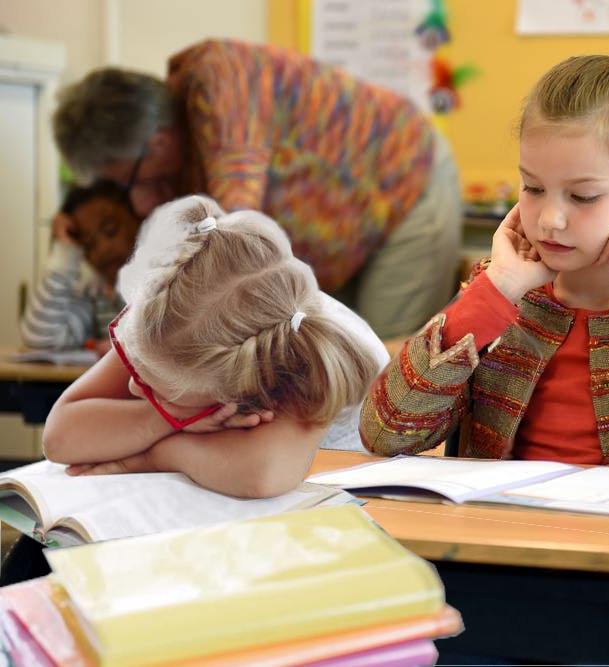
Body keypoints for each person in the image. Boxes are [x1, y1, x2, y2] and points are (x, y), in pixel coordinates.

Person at [360, 54, 609, 472]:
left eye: (583, 196)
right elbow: (386, 431)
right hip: (510, 529)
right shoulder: (504, 295)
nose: (549, 220)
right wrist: (498, 287)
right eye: (533, 187)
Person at [51, 38, 463, 340]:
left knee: (375, 369)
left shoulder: (220, 82)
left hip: (406, 183)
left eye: (129, 178)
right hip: (342, 232)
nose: (134, 194)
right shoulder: (168, 153)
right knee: (323, 367)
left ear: (156, 143)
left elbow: (238, 237)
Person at [42, 194, 388, 499]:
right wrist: (167, 416)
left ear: (237, 390)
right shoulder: (175, 308)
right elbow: (60, 438)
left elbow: (262, 476)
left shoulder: (294, 350)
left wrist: (153, 456)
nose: (133, 386)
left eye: (159, 391)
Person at [20, 180, 140, 352]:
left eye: (111, 229)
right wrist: (65, 251)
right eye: (88, 245)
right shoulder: (99, 298)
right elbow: (41, 339)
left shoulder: (179, 280)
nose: (103, 250)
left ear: (141, 215)